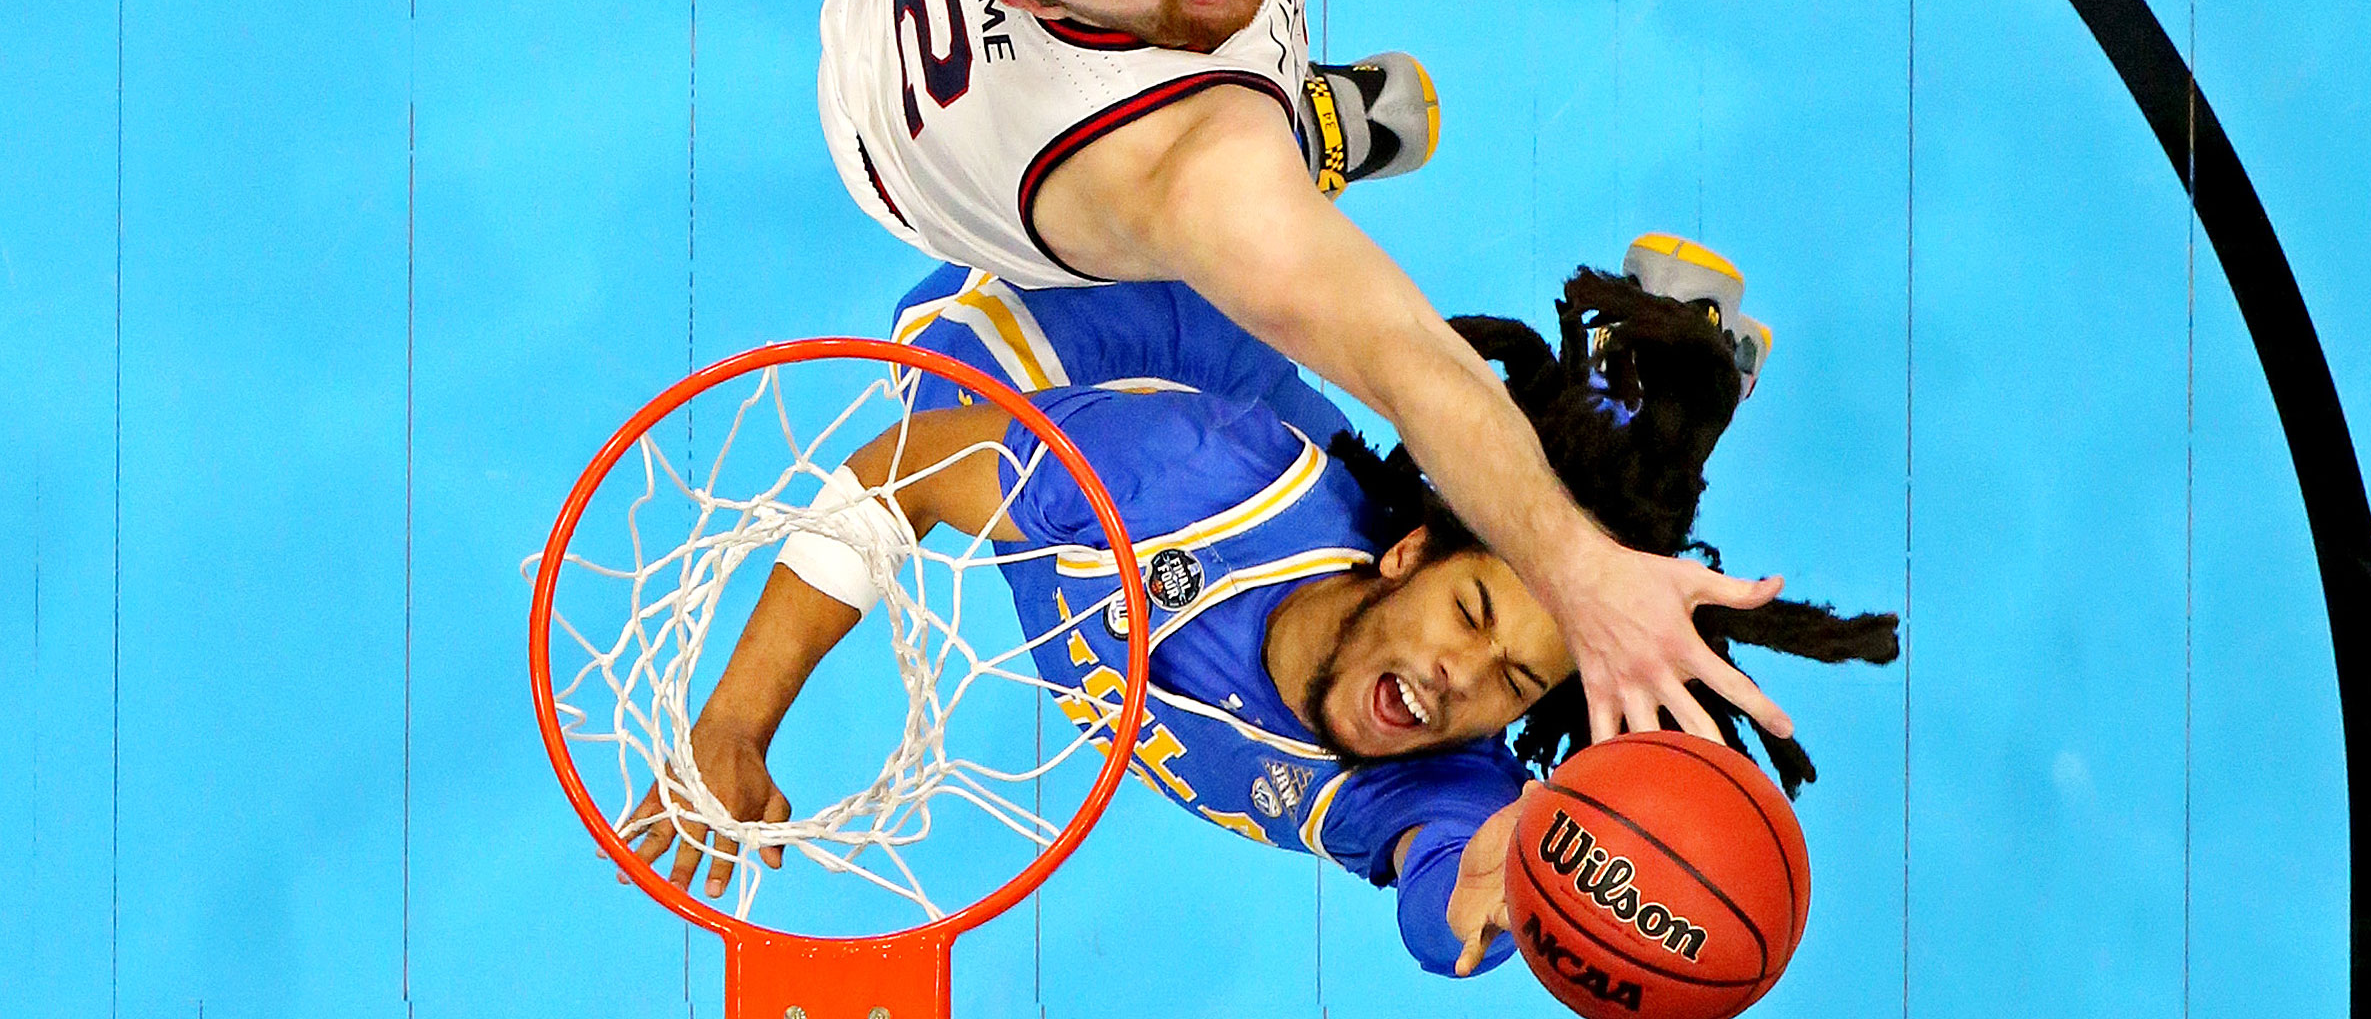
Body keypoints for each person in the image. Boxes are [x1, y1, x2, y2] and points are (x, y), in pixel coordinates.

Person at [819, 0, 2299, 750]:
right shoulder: (1177, 170)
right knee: (1265, 193)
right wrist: (1589, 586)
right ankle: (1312, 127)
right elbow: (1415, 371)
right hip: (967, 164)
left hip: (1138, 51)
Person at [627, 258, 1898, 976]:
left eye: (1512, 681)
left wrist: (1520, 884)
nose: (1464, 678)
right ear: (1403, 556)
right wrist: (737, 721)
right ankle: (1304, 131)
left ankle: (1681, 369)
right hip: (1101, 334)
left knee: (1590, 511)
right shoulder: (1174, 481)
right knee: (966, 319)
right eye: (1467, 612)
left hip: (1247, 410)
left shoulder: (1432, 783)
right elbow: (894, 471)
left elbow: (1447, 897)